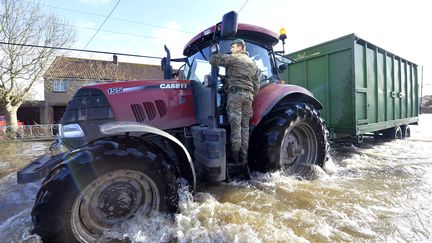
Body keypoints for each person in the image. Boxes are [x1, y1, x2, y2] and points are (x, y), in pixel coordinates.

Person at [209, 39, 260, 164]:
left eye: (233, 47)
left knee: (235, 127)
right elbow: (257, 86)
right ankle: (244, 157)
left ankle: (235, 158)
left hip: (235, 95)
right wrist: (250, 94)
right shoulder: (254, 65)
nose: (231, 49)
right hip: (248, 97)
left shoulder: (234, 58)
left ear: (240, 48)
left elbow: (213, 61)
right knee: (245, 128)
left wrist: (213, 52)